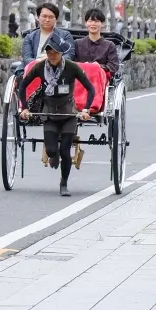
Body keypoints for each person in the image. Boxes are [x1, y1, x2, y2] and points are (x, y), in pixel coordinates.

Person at [18, 33, 95, 197]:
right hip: (49, 113)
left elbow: (90, 88)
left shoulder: (72, 67)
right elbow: (23, 85)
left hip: (68, 114)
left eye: (55, 53)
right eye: (49, 52)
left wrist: (86, 109)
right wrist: (24, 107)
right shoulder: (39, 67)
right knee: (52, 150)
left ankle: (64, 184)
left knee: (65, 151)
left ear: (61, 53)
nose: (52, 56)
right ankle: (54, 155)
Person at [74, 8, 121, 77]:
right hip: (80, 78)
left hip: (100, 78)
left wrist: (99, 66)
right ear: (86, 23)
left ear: (102, 24)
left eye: (96, 21)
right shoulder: (77, 43)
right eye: (90, 21)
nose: (93, 24)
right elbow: (71, 63)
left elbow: (113, 66)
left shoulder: (109, 45)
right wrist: (85, 66)